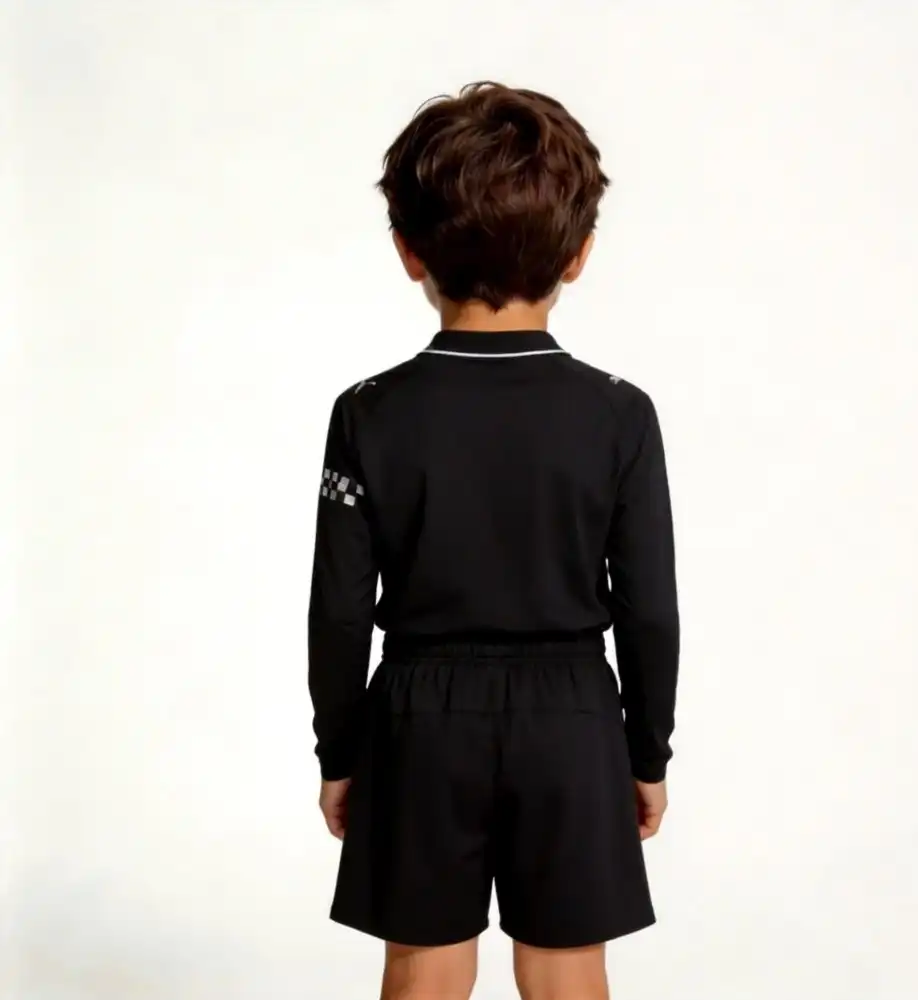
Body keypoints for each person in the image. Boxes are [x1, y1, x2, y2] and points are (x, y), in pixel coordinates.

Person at [307, 81, 680, 1000]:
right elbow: (650, 610)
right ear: (580, 254)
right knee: (568, 973)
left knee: (423, 972)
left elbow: (339, 610)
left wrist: (341, 752)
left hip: (418, 723)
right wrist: (645, 754)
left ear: (408, 251)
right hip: (574, 721)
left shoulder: (369, 414)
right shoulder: (619, 416)